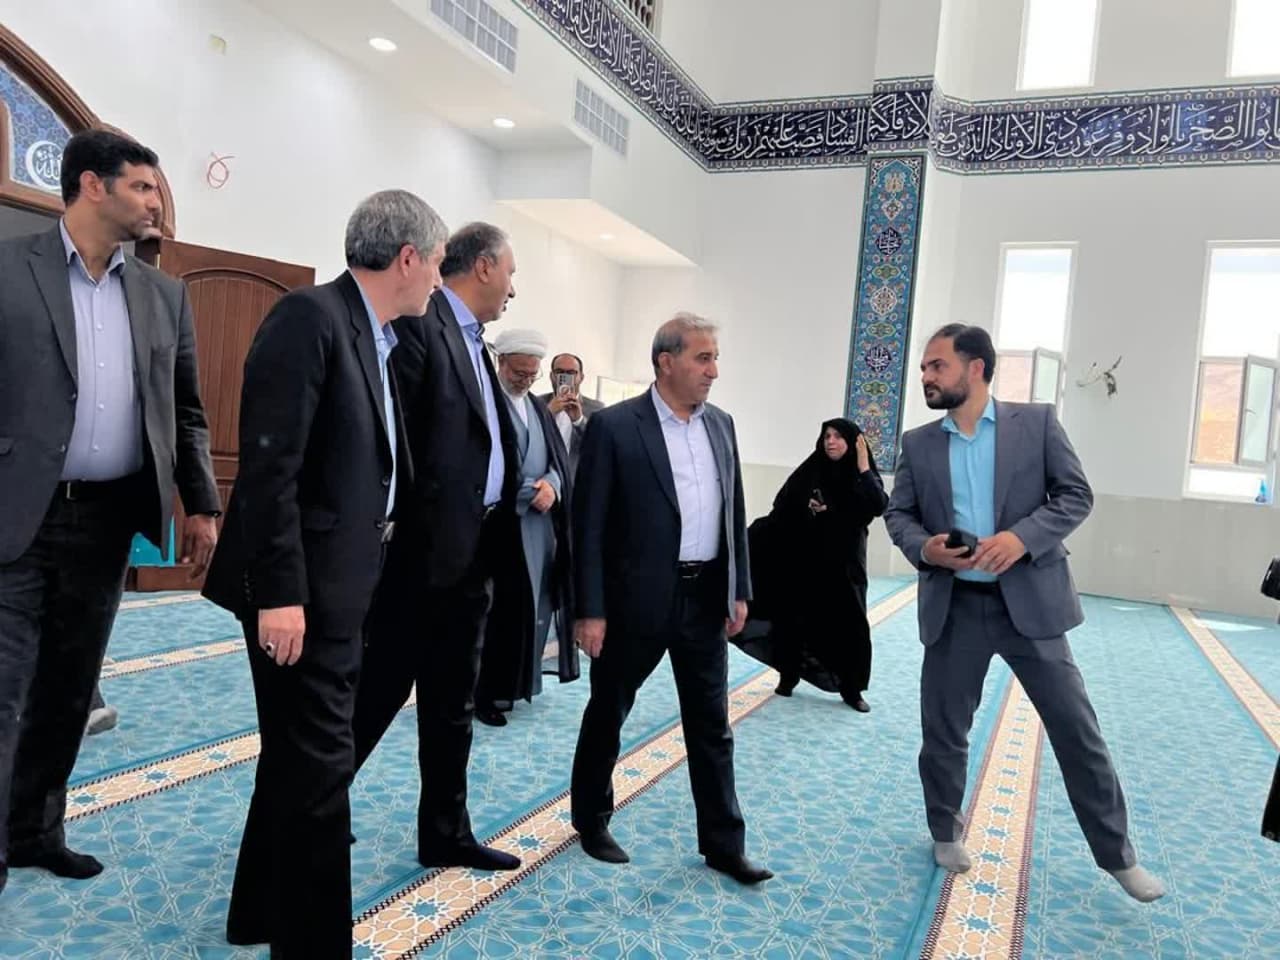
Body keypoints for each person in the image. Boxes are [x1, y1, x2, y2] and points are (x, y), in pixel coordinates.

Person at [202, 189, 447, 957]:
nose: (438, 280)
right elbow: (270, 468)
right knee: (319, 779)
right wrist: (281, 594)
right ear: (407, 258)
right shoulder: (310, 318)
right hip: (300, 595)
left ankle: (255, 913)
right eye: (437, 264)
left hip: (343, 588)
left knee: (296, 763)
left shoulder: (377, 337)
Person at [0, 130, 219, 896]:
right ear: (92, 185)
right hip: (16, 517)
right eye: (143, 187)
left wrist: (202, 504)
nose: (156, 202)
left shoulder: (163, 296)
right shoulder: (9, 269)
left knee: (69, 688)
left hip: (104, 525)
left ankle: (37, 832)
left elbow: (186, 410)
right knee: (4, 688)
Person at [884, 323, 1165, 903]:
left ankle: (1118, 856)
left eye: (937, 366)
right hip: (955, 608)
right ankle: (945, 831)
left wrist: (1021, 539)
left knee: (1077, 732)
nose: (926, 377)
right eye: (924, 368)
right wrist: (926, 548)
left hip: (1029, 606)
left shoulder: (1035, 425)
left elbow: (1075, 495)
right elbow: (899, 515)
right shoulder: (919, 443)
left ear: (976, 368)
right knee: (944, 732)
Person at [569, 312, 771, 885]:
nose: (713, 371)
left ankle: (725, 845)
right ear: (666, 361)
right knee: (609, 711)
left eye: (715, 359)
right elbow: (588, 525)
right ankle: (592, 820)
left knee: (712, 725)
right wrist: (590, 609)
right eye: (703, 358)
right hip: (633, 602)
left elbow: (734, 509)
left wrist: (738, 588)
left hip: (704, 600)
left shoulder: (721, 425)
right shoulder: (614, 427)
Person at [351, 222, 522, 874]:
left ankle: (446, 832)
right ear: (483, 267)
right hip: (421, 561)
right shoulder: (422, 327)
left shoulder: (477, 343)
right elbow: (402, 442)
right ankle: (308, 811)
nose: (513, 288)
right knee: (376, 696)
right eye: (510, 272)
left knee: (453, 706)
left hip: (471, 557)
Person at [737, 418, 887, 711]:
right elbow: (783, 504)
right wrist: (808, 508)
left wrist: (862, 468)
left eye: (838, 436)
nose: (830, 441)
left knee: (849, 623)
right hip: (807, 559)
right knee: (794, 616)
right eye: (826, 436)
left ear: (854, 443)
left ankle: (852, 689)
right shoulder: (813, 468)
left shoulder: (861, 474)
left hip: (845, 564)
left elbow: (878, 504)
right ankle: (789, 674)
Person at [475, 329, 579, 727]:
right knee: (498, 614)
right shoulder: (488, 404)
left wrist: (552, 486)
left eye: (531, 375)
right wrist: (527, 493)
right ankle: (485, 693)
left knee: (533, 611)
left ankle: (515, 686)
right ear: (501, 363)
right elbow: (484, 467)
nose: (524, 381)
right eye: (519, 373)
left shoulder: (536, 407)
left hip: (538, 529)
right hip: (501, 529)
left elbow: (557, 459)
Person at [540, 352, 605, 477]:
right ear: (552, 376)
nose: (565, 376)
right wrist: (546, 414)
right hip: (541, 479)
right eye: (559, 372)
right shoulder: (537, 403)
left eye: (571, 373)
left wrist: (579, 421)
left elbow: (600, 445)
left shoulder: (597, 409)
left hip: (576, 480)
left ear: (581, 377)